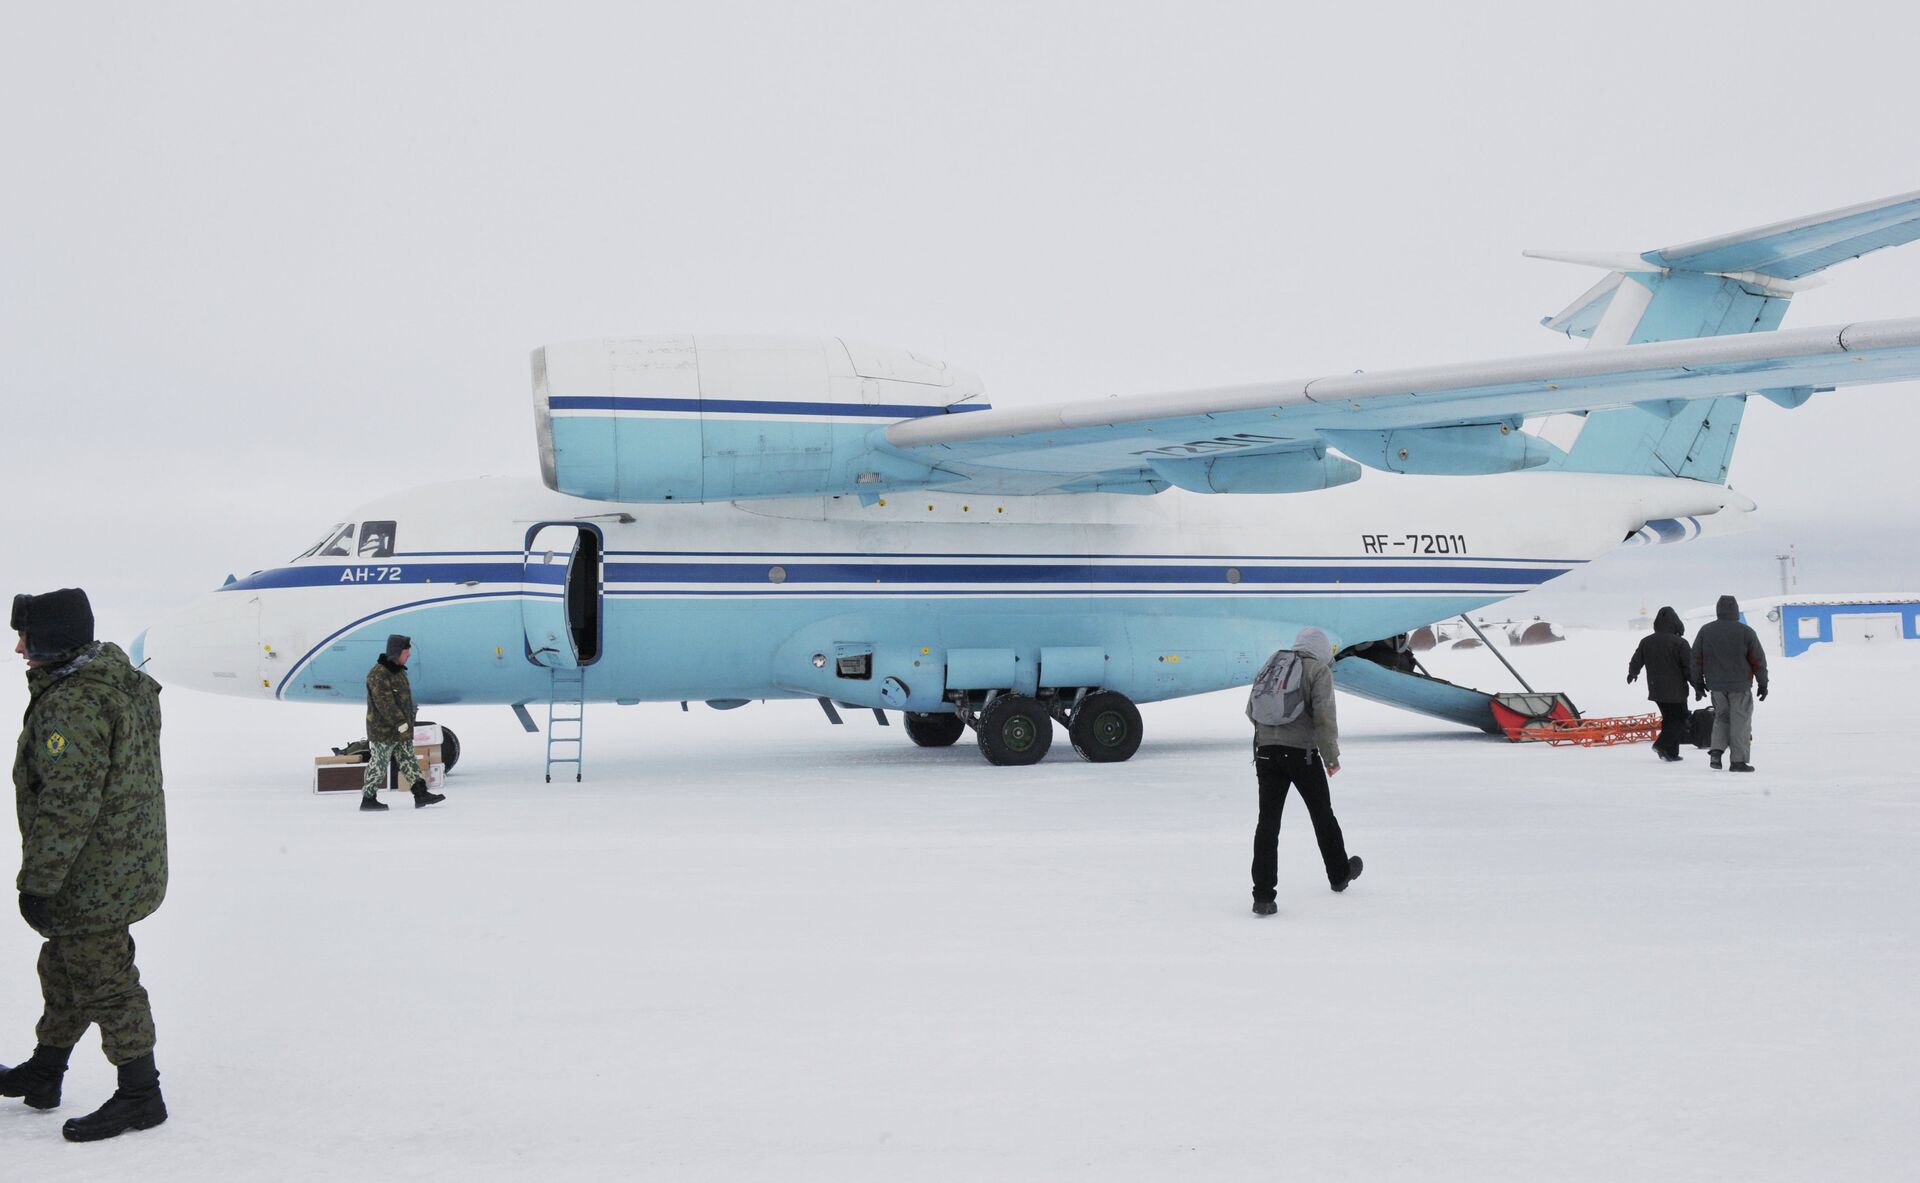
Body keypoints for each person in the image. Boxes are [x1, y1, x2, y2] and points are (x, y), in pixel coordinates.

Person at [3, 588, 169, 1142]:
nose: (20, 648)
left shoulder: (74, 703)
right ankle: (45, 1073)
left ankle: (141, 1095)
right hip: (124, 860)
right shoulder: (117, 681)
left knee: (106, 981)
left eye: (27, 637)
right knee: (65, 968)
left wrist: (39, 883)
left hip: (91, 873)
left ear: (53, 639)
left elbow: (68, 801)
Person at [1246, 626, 1363, 916]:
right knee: (1323, 815)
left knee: (1268, 823)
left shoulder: (1275, 663)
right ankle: (1339, 874)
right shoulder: (1318, 671)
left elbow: (1252, 709)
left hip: (1265, 752)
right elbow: (1325, 718)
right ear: (1322, 650)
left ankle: (1263, 896)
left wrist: (1271, 737)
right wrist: (1330, 757)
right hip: (1302, 755)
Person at [362, 634, 445, 810]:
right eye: (406, 652)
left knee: (408, 760)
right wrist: (400, 722)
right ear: (396, 653)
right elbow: (385, 703)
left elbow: (402, 700)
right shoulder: (378, 675)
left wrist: (408, 719)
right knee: (379, 762)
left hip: (402, 729)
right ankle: (368, 799)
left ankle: (420, 794)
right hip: (384, 730)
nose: (409, 655)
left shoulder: (399, 672)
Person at [1692, 594, 1769, 772]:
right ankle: (1738, 762)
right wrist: (1762, 683)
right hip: (1740, 685)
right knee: (1740, 722)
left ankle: (1716, 752)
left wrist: (1698, 683)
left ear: (1718, 610)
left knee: (1721, 718)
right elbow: (1758, 660)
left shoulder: (1706, 631)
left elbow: (1696, 658)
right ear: (1735, 610)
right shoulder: (1746, 632)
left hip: (1716, 686)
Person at [1628, 606, 1695, 762]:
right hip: (1676, 689)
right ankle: (1662, 745)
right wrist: (1697, 685)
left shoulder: (1646, 641)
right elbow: (1689, 668)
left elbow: (1637, 660)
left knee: (1669, 718)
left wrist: (1633, 673)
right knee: (1680, 718)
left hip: (1656, 688)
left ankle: (1671, 753)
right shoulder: (1680, 643)